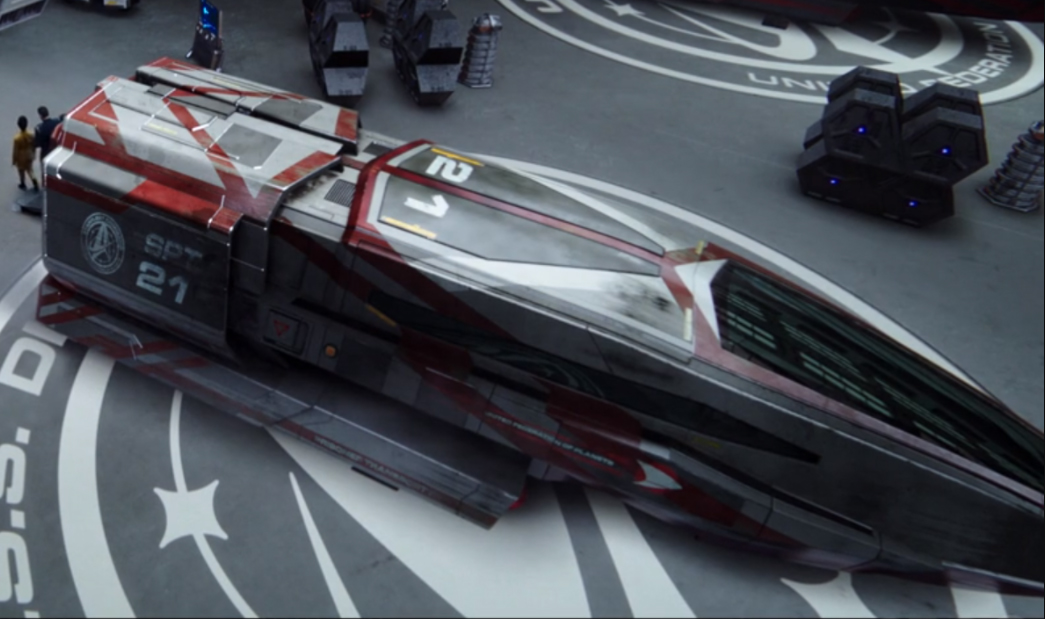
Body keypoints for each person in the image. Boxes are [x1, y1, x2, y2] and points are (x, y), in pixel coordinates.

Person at [12, 116, 38, 192]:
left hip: (21, 157)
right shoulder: (31, 134)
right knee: (30, 169)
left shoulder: (17, 138)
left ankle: (22, 183)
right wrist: (33, 153)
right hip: (29, 154)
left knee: (21, 170)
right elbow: (34, 145)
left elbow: (15, 151)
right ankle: (34, 181)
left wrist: (14, 160)